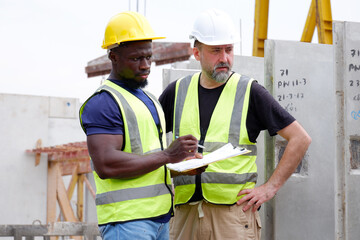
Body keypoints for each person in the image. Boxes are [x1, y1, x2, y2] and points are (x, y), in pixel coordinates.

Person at [159, 8, 312, 240]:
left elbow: (300, 139)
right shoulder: (177, 92)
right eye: (215, 51)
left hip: (233, 217)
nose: (224, 58)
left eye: (229, 50)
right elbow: (152, 144)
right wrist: (172, 160)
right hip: (185, 215)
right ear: (197, 53)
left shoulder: (250, 91)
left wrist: (269, 187)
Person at [79, 11, 201, 240]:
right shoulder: (103, 103)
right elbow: (106, 165)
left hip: (159, 220)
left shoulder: (149, 99)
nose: (146, 65)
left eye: (149, 57)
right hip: (126, 224)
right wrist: (167, 156)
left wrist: (180, 163)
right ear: (113, 57)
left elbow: (148, 158)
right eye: (136, 58)